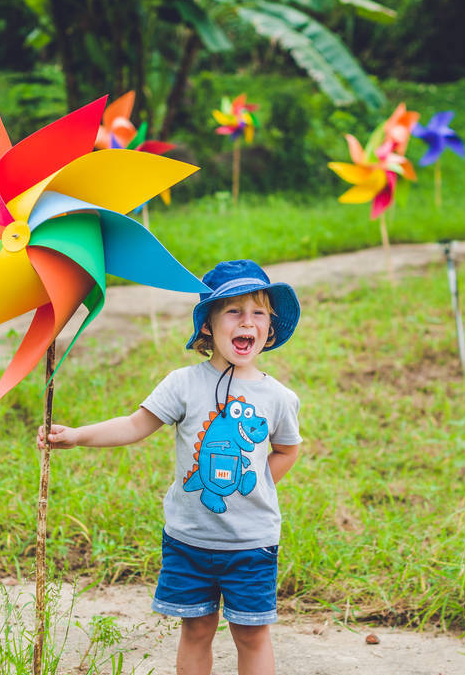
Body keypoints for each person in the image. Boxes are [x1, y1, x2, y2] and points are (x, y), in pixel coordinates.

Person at [37, 259, 302, 675]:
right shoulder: (182, 384)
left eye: (258, 312)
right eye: (233, 311)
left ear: (269, 328)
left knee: (252, 635)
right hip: (189, 540)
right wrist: (77, 435)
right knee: (196, 629)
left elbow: (287, 450)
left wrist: (255, 484)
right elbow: (134, 425)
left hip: (251, 543)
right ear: (208, 327)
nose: (246, 321)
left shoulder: (279, 398)